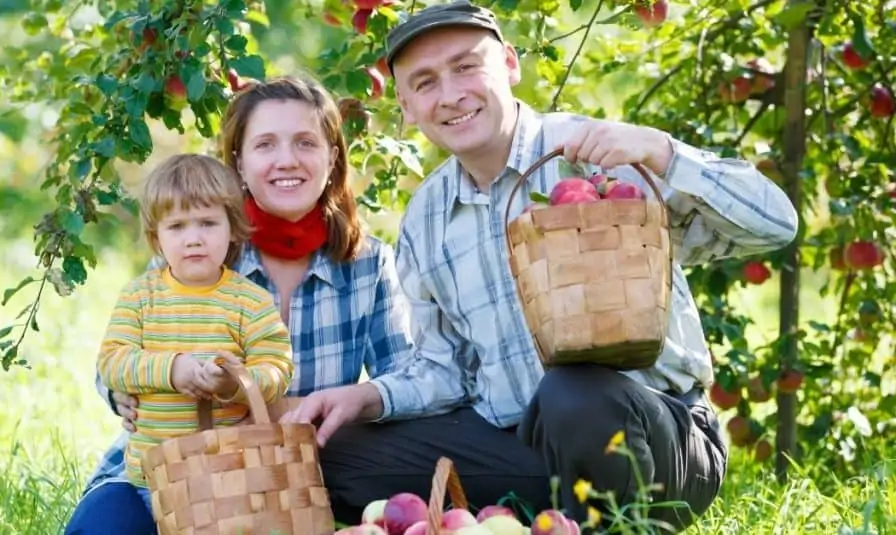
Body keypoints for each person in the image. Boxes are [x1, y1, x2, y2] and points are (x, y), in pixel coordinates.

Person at [280, 1, 800, 531]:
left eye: (466, 67)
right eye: (426, 82)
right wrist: (367, 396)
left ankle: (617, 524)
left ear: (509, 64)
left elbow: (775, 223)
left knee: (572, 392)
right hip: (525, 447)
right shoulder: (427, 217)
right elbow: (446, 369)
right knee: (338, 453)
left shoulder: (596, 154)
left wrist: (661, 151)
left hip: (652, 440)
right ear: (408, 107)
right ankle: (535, 521)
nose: (452, 94)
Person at [64, 77, 414, 535]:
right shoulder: (196, 245)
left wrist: (329, 401)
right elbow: (116, 357)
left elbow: (407, 378)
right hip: (164, 470)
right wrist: (128, 391)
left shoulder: (368, 265)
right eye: (265, 144)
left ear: (332, 158)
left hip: (289, 481)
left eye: (305, 142)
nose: (286, 160)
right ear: (239, 164)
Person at [95, 152, 295, 514]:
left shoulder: (250, 301)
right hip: (149, 477)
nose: (193, 239)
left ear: (233, 228)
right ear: (157, 238)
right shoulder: (140, 296)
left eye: (207, 223)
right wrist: (173, 370)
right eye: (177, 227)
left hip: (229, 475)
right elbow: (112, 362)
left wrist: (233, 383)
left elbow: (277, 369)